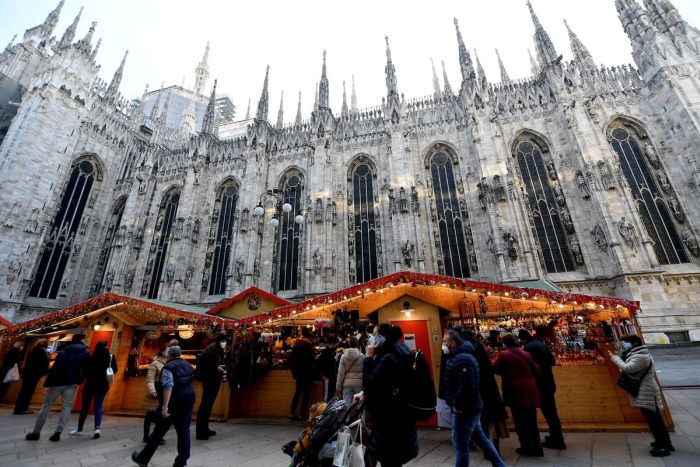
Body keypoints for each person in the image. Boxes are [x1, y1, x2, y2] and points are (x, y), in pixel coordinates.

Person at [443, 329, 505, 467]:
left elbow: (465, 385)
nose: (443, 345)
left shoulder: (463, 358)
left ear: (453, 342)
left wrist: (456, 403)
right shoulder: (464, 355)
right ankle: (499, 464)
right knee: (480, 438)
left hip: (464, 408)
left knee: (461, 444)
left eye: (444, 341)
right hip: (472, 405)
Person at [363, 324, 419, 467]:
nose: (372, 337)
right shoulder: (403, 352)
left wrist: (368, 358)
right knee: (395, 459)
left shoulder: (387, 357)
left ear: (382, 337)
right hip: (402, 416)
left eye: (375, 334)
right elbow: (387, 382)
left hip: (389, 419)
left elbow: (370, 383)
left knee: (390, 459)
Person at [609, 334, 673, 457]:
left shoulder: (641, 356)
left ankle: (664, 446)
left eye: (626, 342)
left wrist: (615, 358)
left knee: (655, 420)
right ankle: (662, 442)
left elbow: (628, 368)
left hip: (647, 390)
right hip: (645, 391)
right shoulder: (638, 354)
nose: (624, 345)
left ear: (633, 343)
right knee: (652, 419)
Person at [132, 346, 195, 467]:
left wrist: (165, 407)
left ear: (169, 355)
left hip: (172, 403)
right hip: (187, 402)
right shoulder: (187, 365)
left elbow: (168, 386)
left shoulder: (168, 367)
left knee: (157, 433)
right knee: (184, 432)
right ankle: (181, 462)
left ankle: (142, 458)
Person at [25, 333, 89, 442]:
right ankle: (58, 432)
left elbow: (55, 369)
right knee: (67, 407)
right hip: (72, 383)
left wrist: (47, 384)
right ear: (82, 340)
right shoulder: (86, 353)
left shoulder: (63, 352)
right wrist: (79, 380)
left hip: (58, 382)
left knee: (46, 406)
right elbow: (86, 370)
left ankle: (36, 432)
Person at [493, 333, 543, 457]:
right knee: (531, 420)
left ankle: (525, 446)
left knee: (520, 420)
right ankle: (537, 447)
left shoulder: (504, 355)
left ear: (504, 342)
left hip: (515, 390)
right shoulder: (525, 353)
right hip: (530, 390)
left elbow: (495, 368)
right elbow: (537, 370)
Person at [462, 329, 509, 453]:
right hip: (490, 391)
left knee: (483, 421)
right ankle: (494, 448)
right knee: (492, 421)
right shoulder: (480, 352)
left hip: (479, 393)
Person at [518, 329, 566, 450]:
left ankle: (557, 441)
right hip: (549, 382)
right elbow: (552, 361)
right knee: (552, 413)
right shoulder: (539, 344)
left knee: (548, 413)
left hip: (541, 384)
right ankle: (557, 438)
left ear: (522, 339)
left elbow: (529, 368)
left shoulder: (529, 348)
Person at [70, 341, 118, 439]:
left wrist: (79, 380)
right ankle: (97, 429)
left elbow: (85, 371)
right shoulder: (110, 358)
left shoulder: (91, 357)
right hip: (103, 385)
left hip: (90, 384)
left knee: (85, 408)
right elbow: (115, 369)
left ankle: (79, 429)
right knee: (98, 406)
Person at [195, 334, 228, 440]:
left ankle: (205, 428)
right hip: (210, 381)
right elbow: (205, 364)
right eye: (223, 341)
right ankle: (201, 431)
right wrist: (216, 368)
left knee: (207, 405)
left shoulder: (216, 350)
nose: (225, 344)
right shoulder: (211, 351)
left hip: (213, 380)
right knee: (206, 405)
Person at [14, 339, 50, 415]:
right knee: (28, 391)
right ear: (45, 345)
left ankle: (19, 408)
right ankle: (22, 408)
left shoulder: (34, 350)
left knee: (24, 391)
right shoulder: (42, 352)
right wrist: (45, 371)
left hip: (28, 373)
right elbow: (43, 364)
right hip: (34, 374)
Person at [143, 343, 169, 443]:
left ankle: (156, 436)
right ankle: (146, 436)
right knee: (150, 415)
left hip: (163, 392)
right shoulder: (155, 363)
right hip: (155, 392)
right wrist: (152, 391)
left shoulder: (168, 362)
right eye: (167, 350)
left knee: (159, 416)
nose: (168, 352)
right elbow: (150, 379)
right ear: (162, 351)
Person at [288, 328, 316, 420]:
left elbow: (291, 360)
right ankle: (302, 414)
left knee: (297, 392)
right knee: (305, 394)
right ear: (310, 337)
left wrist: (294, 372)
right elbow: (312, 360)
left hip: (299, 373)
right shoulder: (308, 346)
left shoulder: (297, 344)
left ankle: (292, 413)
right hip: (307, 373)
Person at [335, 336, 364, 405]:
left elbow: (340, 373)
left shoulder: (343, 356)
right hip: (359, 383)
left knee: (346, 405)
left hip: (347, 384)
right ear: (357, 344)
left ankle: (346, 416)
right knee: (360, 406)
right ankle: (360, 416)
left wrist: (338, 387)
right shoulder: (362, 356)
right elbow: (364, 371)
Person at [317, 335, 339, 402]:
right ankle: (326, 410)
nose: (337, 346)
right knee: (328, 395)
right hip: (328, 377)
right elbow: (329, 364)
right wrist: (337, 357)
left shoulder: (330, 351)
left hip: (331, 377)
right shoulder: (326, 352)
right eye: (336, 344)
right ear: (332, 343)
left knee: (330, 394)